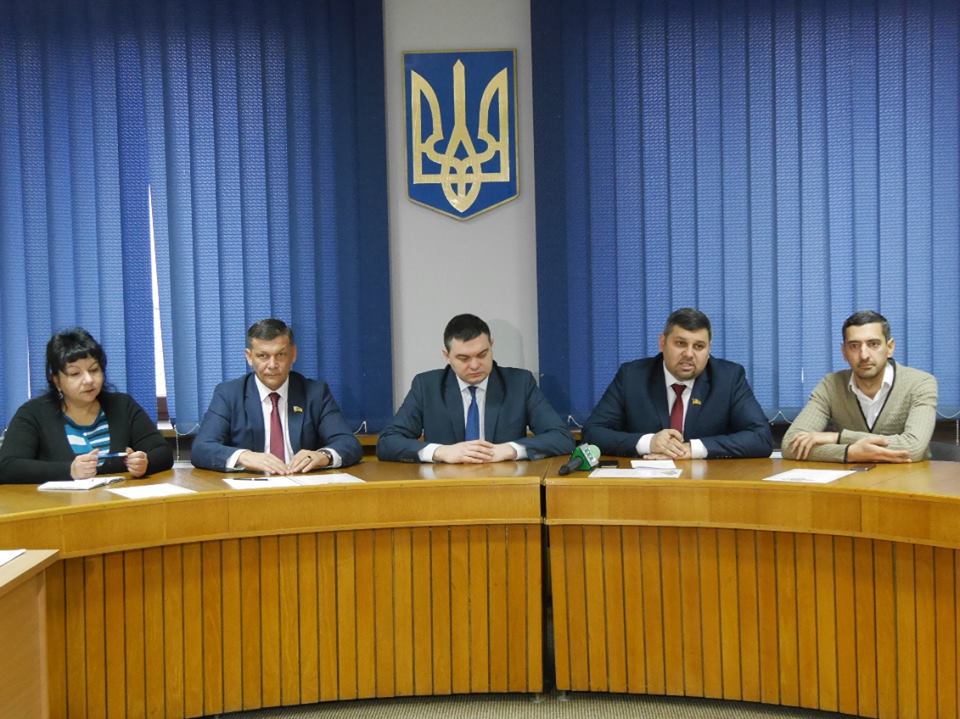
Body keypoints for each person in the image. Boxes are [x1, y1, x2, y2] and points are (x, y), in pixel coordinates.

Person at [377, 313, 574, 463]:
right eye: (463, 358)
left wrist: (511, 449)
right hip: (446, 488)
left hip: (506, 488)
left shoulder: (520, 383)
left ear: (492, 346)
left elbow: (562, 438)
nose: (474, 365)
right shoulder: (427, 386)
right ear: (447, 356)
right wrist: (440, 452)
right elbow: (387, 442)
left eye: (482, 355)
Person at [583, 307, 772, 459]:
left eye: (699, 346)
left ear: (708, 350)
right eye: (680, 343)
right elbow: (593, 432)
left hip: (706, 483)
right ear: (662, 343)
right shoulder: (632, 377)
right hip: (647, 482)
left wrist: (694, 449)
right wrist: (649, 443)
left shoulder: (728, 378)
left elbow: (761, 437)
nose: (689, 354)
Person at [0, 328, 173, 484]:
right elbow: (7, 467)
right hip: (60, 506)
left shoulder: (122, 406)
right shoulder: (34, 413)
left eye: (94, 370)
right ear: (56, 381)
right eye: (75, 373)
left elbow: (163, 452)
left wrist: (145, 463)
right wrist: (69, 470)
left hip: (118, 503)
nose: (89, 380)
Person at [192, 318, 361, 473]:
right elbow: (201, 449)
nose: (272, 365)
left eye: (280, 355)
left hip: (302, 483)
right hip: (252, 487)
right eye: (263, 356)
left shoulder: (315, 393)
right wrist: (244, 456)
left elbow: (348, 444)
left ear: (293, 354)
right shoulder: (229, 394)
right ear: (249, 357)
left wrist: (324, 456)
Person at [782, 310, 937, 463]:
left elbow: (913, 448)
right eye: (854, 346)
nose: (864, 355)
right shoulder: (831, 385)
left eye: (873, 344)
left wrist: (839, 438)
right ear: (844, 352)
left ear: (889, 347)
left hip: (907, 478)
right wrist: (849, 453)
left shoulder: (920, 383)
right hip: (851, 478)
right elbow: (790, 445)